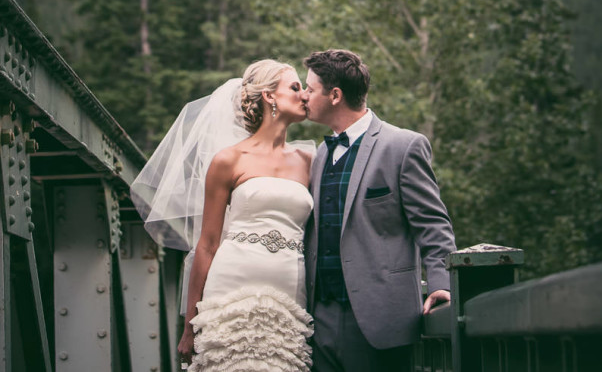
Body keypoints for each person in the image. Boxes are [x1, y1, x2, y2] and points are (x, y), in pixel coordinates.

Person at [132, 59, 314, 371]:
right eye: (295, 88)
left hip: (290, 288)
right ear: (270, 96)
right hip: (232, 283)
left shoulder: (309, 160)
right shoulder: (228, 160)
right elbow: (207, 244)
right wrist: (190, 324)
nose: (305, 95)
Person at [302, 48, 456, 372]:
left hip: (382, 319)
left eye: (309, 89)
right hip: (319, 320)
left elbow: (432, 224)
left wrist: (442, 282)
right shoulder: (319, 155)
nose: (303, 96)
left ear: (334, 95)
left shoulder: (403, 146)